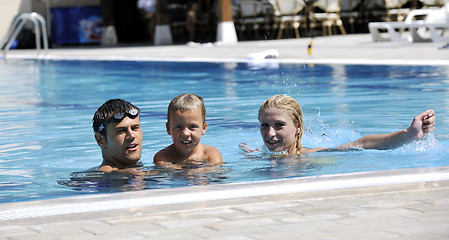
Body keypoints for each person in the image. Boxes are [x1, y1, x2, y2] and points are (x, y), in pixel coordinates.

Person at [241, 94, 436, 154]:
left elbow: (362, 144)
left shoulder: (310, 156)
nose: (270, 134)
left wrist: (409, 134)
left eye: (279, 125)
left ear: (298, 125)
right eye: (264, 125)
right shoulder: (259, 155)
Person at [154, 93, 223, 167]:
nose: (186, 133)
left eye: (193, 126)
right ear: (168, 128)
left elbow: (217, 175)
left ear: (203, 128)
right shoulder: (163, 157)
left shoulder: (211, 155)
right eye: (178, 127)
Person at [92, 99, 143, 172]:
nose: (131, 136)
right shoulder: (105, 178)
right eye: (121, 131)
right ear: (100, 140)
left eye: (134, 128)